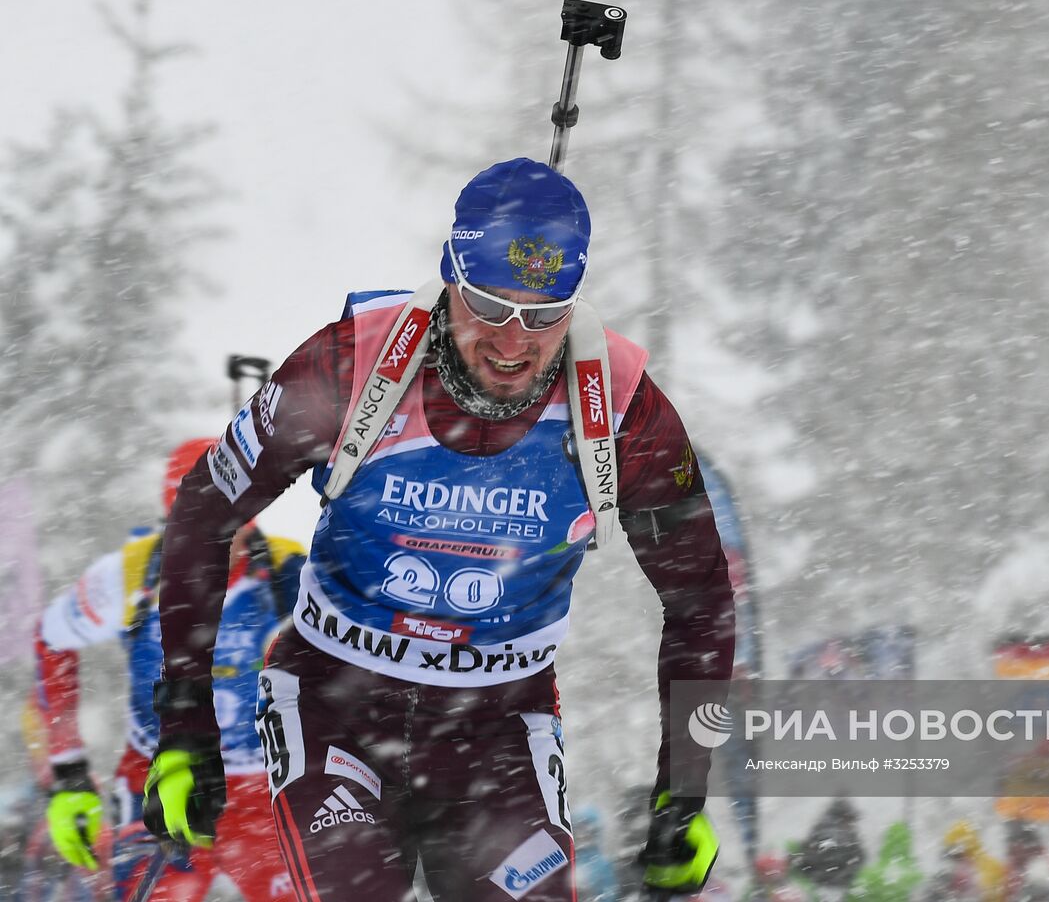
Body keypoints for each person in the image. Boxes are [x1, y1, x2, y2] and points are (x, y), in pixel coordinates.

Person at [141, 159, 737, 902]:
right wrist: (185, 722)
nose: (514, 343)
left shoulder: (621, 409)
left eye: (546, 313)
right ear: (450, 277)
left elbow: (701, 600)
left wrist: (683, 793)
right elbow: (206, 509)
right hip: (336, 710)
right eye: (489, 304)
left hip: (496, 738)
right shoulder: (351, 363)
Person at [35, 438, 305, 902]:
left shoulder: (290, 569)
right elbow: (51, 640)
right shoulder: (131, 574)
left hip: (264, 784)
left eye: (233, 515)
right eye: (199, 516)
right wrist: (69, 772)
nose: (221, 534)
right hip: (157, 774)